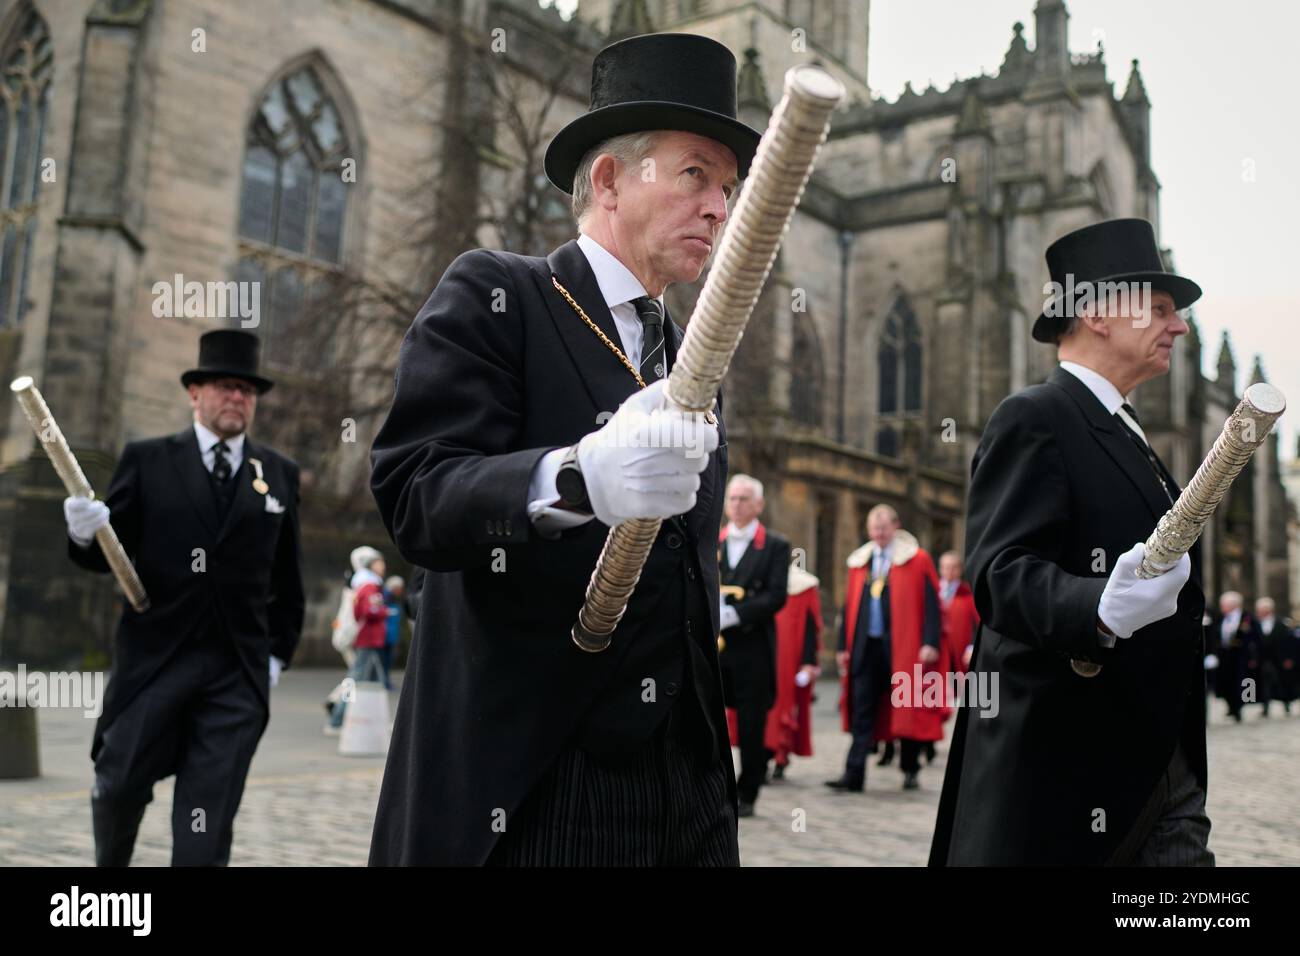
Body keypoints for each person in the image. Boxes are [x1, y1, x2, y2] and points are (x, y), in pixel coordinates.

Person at [366, 32, 761, 866]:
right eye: (696, 173)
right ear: (612, 178)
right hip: (541, 778)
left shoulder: (695, 360)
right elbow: (418, 493)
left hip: (688, 782)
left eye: (728, 187)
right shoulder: (498, 293)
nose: (721, 208)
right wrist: (575, 478)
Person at [930, 218, 1212, 866]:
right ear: (1102, 315)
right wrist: (1095, 607)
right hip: (1078, 770)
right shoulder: (1036, 415)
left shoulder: (1129, 430)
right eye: (1163, 309)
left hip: (1154, 761)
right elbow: (999, 573)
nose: (1180, 326)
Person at [63, 329, 303, 866]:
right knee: (118, 785)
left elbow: (288, 579)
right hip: (155, 662)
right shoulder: (148, 460)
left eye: (246, 389)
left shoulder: (279, 474)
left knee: (205, 829)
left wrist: (273, 659)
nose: (237, 397)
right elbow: (105, 552)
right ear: (195, 393)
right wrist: (84, 532)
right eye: (224, 385)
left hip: (235, 674)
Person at [827, 504, 943, 793]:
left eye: (884, 527)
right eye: (874, 527)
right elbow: (849, 606)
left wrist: (930, 641)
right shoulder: (860, 561)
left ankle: (910, 768)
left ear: (896, 526)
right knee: (863, 710)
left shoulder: (917, 560)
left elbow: (931, 604)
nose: (879, 532)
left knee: (906, 708)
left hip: (902, 646)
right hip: (867, 647)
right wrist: (843, 645)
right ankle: (853, 775)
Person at [716, 475, 790, 817]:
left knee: (750, 723)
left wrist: (735, 614)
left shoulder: (774, 545)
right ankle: (715, 785)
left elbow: (776, 595)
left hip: (753, 647)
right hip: (715, 648)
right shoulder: (711, 541)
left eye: (745, 499)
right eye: (732, 498)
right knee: (711, 717)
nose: (737, 505)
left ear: (758, 505)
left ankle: (749, 791)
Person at [763, 562, 823, 781]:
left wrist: (808, 662)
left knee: (782, 710)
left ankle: (779, 756)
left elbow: (810, 627)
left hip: (788, 660)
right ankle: (762, 759)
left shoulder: (803, 586)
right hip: (763, 656)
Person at [327, 547, 389, 733]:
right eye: (379, 562)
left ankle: (376, 721)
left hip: (370, 640)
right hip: (368, 639)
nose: (382, 566)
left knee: (372, 682)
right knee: (354, 681)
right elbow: (366, 611)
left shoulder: (365, 583)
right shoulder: (368, 585)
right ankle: (337, 718)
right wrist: (384, 611)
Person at [1206, 591, 1257, 722]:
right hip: (1224, 656)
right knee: (1225, 683)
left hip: (1240, 656)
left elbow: (1253, 639)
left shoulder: (1247, 617)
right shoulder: (1221, 619)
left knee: (1241, 683)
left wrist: (1253, 657)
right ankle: (1231, 706)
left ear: (1233, 605)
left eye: (1224, 605)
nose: (1222, 607)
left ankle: (1239, 707)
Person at [381, 576, 405, 691]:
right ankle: (383, 681)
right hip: (386, 635)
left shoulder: (394, 598)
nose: (401, 591)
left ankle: (385, 681)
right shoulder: (386, 597)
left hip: (391, 635)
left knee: (388, 660)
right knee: (384, 660)